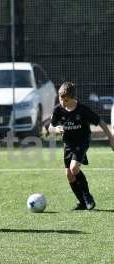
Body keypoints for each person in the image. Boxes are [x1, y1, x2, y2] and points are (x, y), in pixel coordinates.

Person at [49, 82, 114, 210]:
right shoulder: (58, 109)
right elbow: (50, 127)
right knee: (69, 174)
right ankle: (82, 203)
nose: (62, 102)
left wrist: (111, 139)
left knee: (74, 168)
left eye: (65, 99)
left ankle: (87, 196)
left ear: (73, 98)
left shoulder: (82, 109)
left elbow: (101, 122)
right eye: (60, 99)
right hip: (68, 143)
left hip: (82, 140)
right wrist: (56, 129)